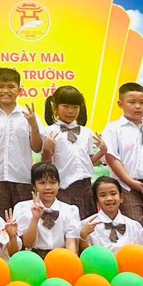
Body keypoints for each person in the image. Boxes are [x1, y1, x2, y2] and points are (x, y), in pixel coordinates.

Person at [0, 67, 42, 216]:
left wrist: (34, 126)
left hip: (23, 179)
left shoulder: (29, 116)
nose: (5, 91)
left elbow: (37, 147)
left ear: (19, 90)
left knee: (24, 221)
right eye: (0, 86)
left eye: (11, 86)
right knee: (0, 222)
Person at [102, 82, 143, 225]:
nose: (138, 106)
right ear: (120, 104)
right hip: (126, 186)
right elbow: (112, 158)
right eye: (132, 102)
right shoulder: (114, 129)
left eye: (142, 102)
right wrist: (130, 182)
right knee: (135, 224)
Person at [40, 84, 99, 218]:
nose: (70, 111)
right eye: (65, 106)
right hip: (63, 186)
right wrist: (47, 150)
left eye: (75, 107)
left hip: (86, 185)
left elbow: (89, 160)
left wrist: (102, 151)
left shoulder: (86, 132)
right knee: (66, 221)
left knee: (88, 221)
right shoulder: (49, 131)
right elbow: (46, 164)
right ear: (55, 107)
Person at [13, 163, 80, 256]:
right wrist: (35, 219)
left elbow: (70, 244)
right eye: (42, 183)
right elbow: (28, 244)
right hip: (34, 257)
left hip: (61, 256)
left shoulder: (70, 210)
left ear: (59, 184)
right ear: (34, 185)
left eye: (53, 182)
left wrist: (71, 261)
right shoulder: (22, 208)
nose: (48, 187)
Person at [79, 177, 143, 252]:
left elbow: (142, 253)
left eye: (113, 194)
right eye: (103, 195)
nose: (109, 198)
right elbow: (85, 255)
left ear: (121, 198)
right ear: (97, 201)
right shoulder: (86, 226)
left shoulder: (134, 226)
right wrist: (83, 235)